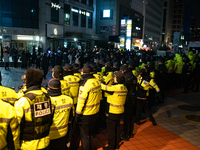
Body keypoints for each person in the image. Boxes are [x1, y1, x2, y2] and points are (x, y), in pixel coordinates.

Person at [14, 68, 54, 150]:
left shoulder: (23, 101)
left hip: (28, 145)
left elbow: (16, 127)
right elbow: (50, 120)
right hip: (45, 143)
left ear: (29, 81)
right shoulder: (49, 98)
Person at [75, 65, 102, 150]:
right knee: (90, 133)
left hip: (86, 114)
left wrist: (77, 115)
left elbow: (81, 101)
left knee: (85, 136)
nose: (81, 73)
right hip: (96, 112)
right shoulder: (97, 81)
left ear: (85, 73)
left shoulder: (85, 85)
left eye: (82, 72)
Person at [101, 71, 128, 150]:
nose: (113, 78)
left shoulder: (115, 88)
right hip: (120, 111)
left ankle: (111, 146)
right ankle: (116, 144)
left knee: (111, 131)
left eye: (115, 77)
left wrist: (101, 81)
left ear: (118, 79)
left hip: (112, 112)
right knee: (117, 128)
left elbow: (103, 87)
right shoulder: (124, 87)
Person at [48, 79, 73, 150]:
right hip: (64, 133)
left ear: (49, 88)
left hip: (50, 135)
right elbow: (70, 118)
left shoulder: (48, 100)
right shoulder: (69, 99)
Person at [120, 65, 137, 141]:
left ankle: (125, 134)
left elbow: (125, 88)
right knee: (131, 117)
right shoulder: (133, 76)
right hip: (133, 98)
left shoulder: (126, 77)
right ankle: (130, 133)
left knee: (126, 118)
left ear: (123, 70)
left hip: (128, 99)